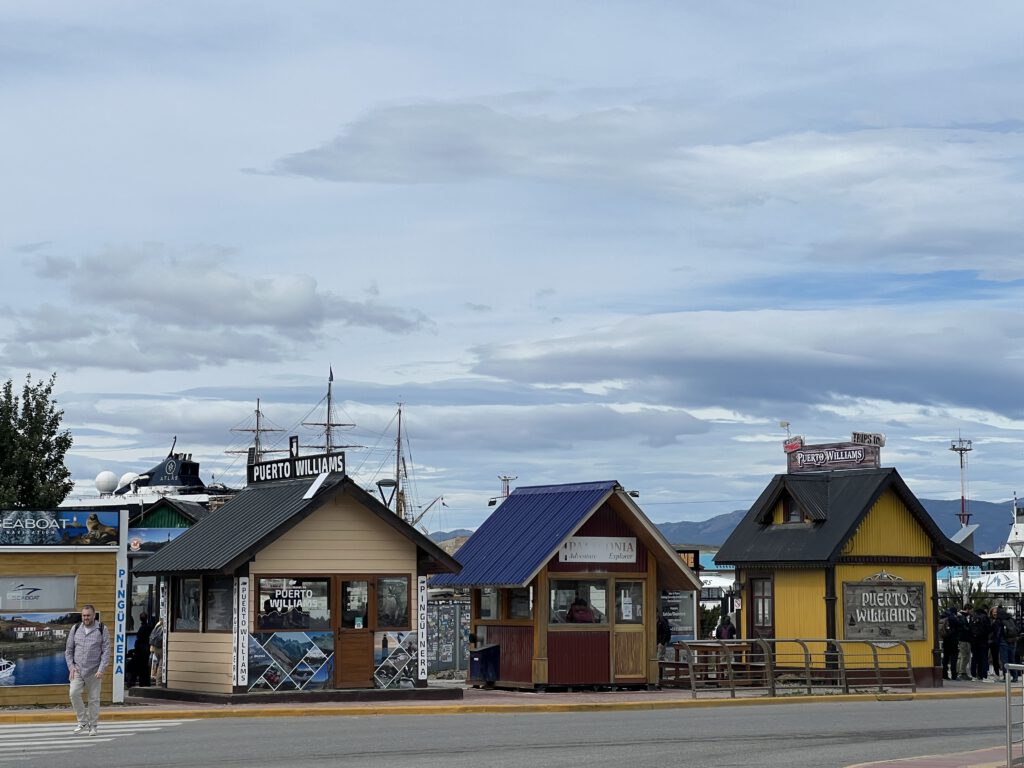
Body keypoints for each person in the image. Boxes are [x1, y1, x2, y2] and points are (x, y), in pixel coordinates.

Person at [65, 604, 112, 736]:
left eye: (88, 615)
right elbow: (68, 651)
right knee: (73, 693)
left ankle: (93, 726)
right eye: (84, 615)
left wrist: (102, 669)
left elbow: (106, 651)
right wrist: (71, 667)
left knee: (94, 699)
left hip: (95, 671)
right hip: (78, 670)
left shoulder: (102, 629)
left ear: (93, 615)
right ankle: (82, 721)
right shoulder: (75, 629)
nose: (86, 618)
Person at [969, 605, 991, 681]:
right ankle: (984, 676)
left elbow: (970, 628)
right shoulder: (985, 617)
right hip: (983, 641)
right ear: (985, 610)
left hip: (974, 641)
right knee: (984, 658)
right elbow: (988, 629)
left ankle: (973, 676)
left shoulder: (973, 617)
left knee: (974, 658)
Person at [940, 606, 960, 680]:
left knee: (945, 658)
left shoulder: (943, 617)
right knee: (953, 658)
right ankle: (954, 675)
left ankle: (944, 674)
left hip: (945, 639)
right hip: (953, 640)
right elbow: (959, 624)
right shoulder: (952, 618)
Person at [134, 612, 152, 687]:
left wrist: (136, 646)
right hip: (147, 648)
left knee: (142, 666)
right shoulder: (149, 627)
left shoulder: (142, 628)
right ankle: (146, 682)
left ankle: (142, 682)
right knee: (146, 666)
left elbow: (139, 639)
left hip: (141, 649)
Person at [956, 606, 973, 680]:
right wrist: (969, 628)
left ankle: (959, 671)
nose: (972, 612)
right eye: (971, 610)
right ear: (967, 609)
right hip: (964, 639)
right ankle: (962, 673)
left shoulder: (961, 616)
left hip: (963, 638)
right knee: (965, 656)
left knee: (962, 656)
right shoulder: (963, 617)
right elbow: (964, 627)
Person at [149, 616, 165, 685]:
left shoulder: (157, 624)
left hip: (155, 647)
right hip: (161, 648)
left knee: (158, 664)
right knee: (161, 666)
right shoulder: (164, 626)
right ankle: (158, 682)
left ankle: (157, 680)